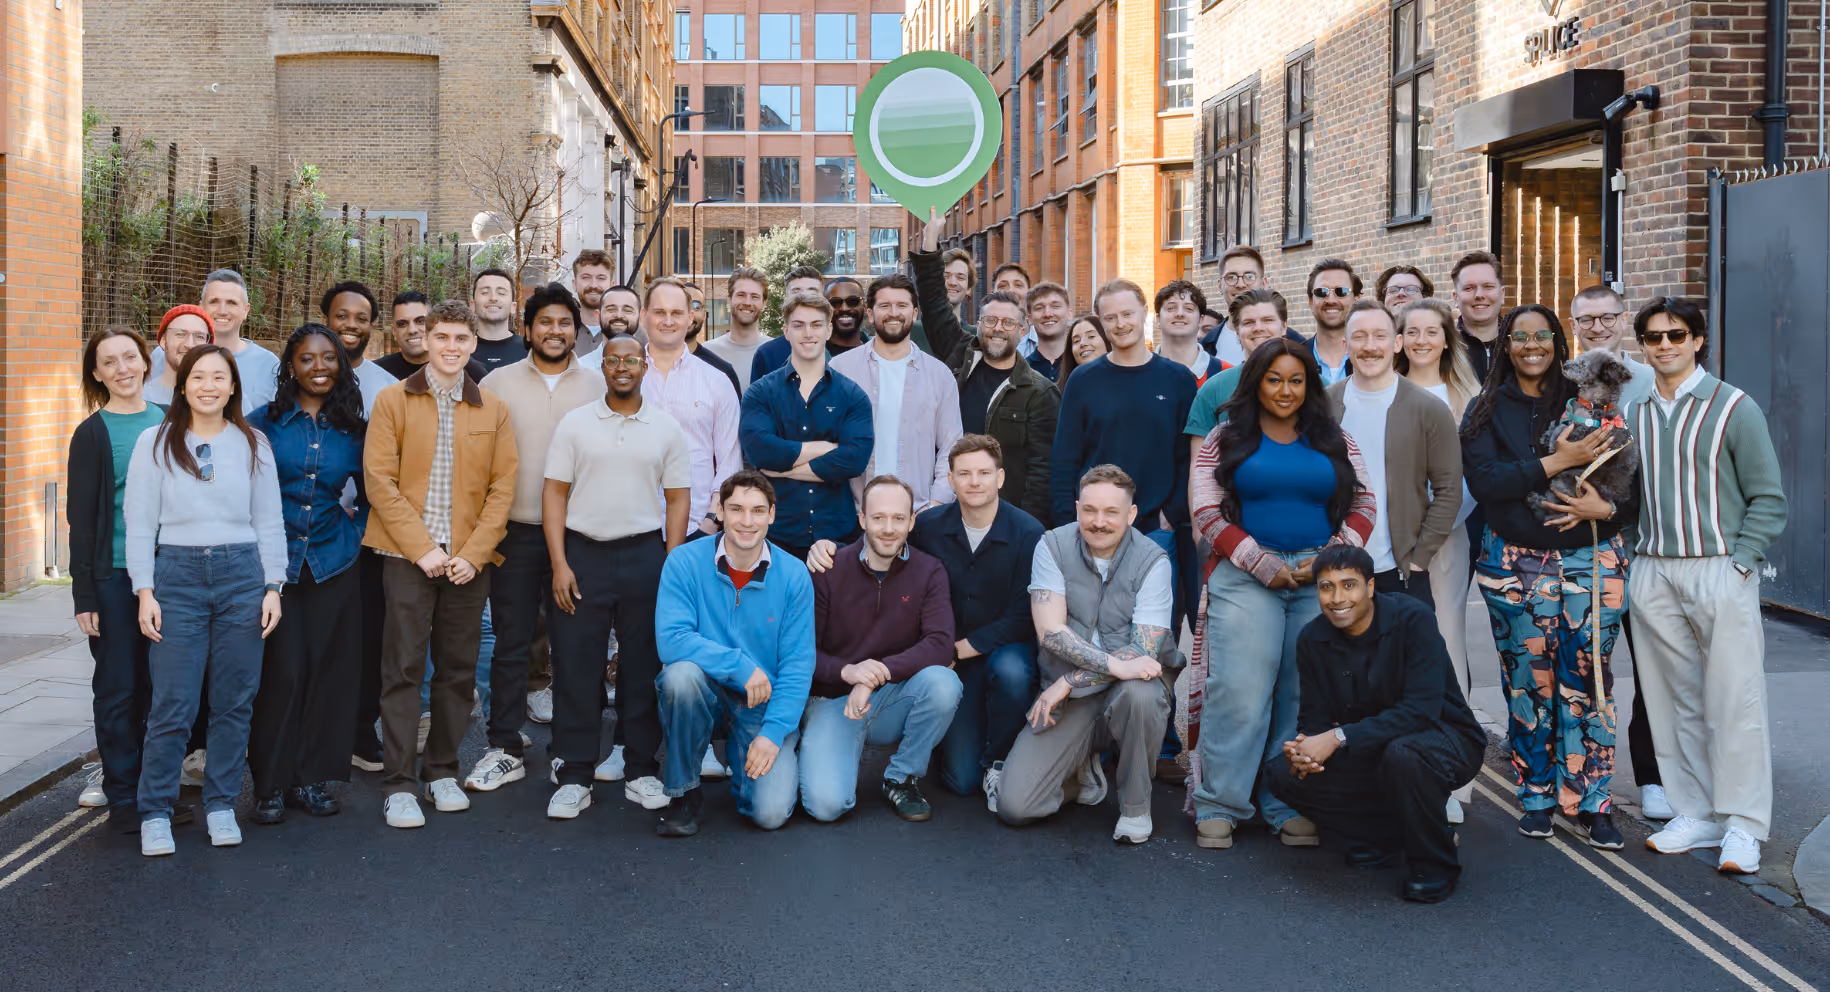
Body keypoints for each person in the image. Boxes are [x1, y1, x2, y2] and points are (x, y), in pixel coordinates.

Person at [1187, 340, 1374, 850]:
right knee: (1240, 692)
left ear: (1310, 384)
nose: (1285, 390)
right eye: (1274, 379)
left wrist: (1331, 560)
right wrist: (1261, 563)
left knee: (1302, 697)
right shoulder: (1225, 438)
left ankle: (1286, 801)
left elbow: (1364, 503)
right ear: (1256, 382)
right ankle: (1220, 802)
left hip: (1321, 581)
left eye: (1296, 380)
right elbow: (1205, 509)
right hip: (1246, 575)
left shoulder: (1335, 438)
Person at [1461, 303, 1632, 849]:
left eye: (1542, 336)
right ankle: (1536, 794)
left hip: (1592, 557)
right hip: (1514, 563)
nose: (1531, 345)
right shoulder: (1484, 409)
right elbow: (1488, 482)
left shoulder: (1590, 399)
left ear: (1559, 343)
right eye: (1519, 337)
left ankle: (1592, 800)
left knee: (1589, 679)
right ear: (1505, 345)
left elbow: (1629, 479)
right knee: (1529, 681)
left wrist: (1601, 511)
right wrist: (1557, 462)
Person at [1629, 297, 1787, 874]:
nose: (1664, 345)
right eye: (1653, 337)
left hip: (1719, 565)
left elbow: (1768, 498)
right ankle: (1695, 813)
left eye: (1676, 335)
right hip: (1653, 567)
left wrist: (1743, 563)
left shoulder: (1734, 407)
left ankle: (1743, 825)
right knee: (1673, 699)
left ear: (1698, 340)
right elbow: (1629, 493)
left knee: (1735, 698)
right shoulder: (1636, 409)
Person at [125, 344, 286, 855]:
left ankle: (220, 804)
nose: (209, 385)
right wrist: (144, 591)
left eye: (220, 376)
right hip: (177, 575)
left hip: (243, 573)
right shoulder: (155, 442)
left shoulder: (253, 443)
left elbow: (269, 521)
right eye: (199, 377)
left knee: (235, 701)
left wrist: (273, 586)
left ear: (233, 386)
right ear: (183, 385)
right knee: (173, 702)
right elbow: (139, 525)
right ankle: (155, 811)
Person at [364, 300, 517, 830]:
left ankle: (441, 771)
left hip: (468, 563)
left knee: (457, 671)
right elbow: (379, 482)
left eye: (461, 339)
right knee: (403, 671)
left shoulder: (492, 409)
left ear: (474, 344)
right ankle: (399, 784)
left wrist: (471, 554)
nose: (451, 347)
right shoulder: (392, 400)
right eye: (442, 337)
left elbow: (503, 489)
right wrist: (422, 548)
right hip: (408, 558)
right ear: (425, 341)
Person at [1266, 545, 1486, 904]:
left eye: (1348, 585)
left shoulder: (1412, 619)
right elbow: (1314, 717)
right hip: (1370, 746)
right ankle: (1384, 837)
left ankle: (1434, 864)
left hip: (1445, 740)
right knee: (1282, 774)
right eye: (1326, 587)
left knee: (1404, 756)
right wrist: (1305, 749)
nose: (1337, 598)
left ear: (1370, 587)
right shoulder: (1312, 638)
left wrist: (1337, 737)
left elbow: (1421, 711)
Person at [542, 334, 692, 819]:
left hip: (645, 556)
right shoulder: (575, 424)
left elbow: (677, 500)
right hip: (582, 555)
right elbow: (554, 495)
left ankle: (641, 768)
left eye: (632, 360)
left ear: (645, 366)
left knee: (642, 667)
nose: (623, 367)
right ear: (602, 366)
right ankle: (575, 775)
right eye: (614, 360)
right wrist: (560, 563)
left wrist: (671, 563)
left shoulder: (667, 428)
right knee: (576, 667)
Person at [463, 284, 605, 795]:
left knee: (574, 645)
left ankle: (570, 752)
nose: (554, 331)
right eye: (544, 322)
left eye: (564, 323)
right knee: (511, 642)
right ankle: (503, 746)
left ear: (577, 330)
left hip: (578, 537)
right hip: (516, 534)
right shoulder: (496, 382)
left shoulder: (596, 384)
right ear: (528, 328)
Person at [997, 465, 1175, 844]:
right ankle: (1084, 773)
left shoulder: (1154, 561)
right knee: (1015, 805)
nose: (1099, 522)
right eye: (1090, 510)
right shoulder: (1052, 546)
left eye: (1112, 512)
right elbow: (1050, 632)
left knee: (1140, 694)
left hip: (1124, 691)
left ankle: (1135, 808)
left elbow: (1144, 653)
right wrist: (1087, 674)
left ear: (1130, 514)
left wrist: (1070, 678)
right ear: (1076, 508)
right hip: (1072, 696)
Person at [246, 325, 368, 825]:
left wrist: (354, 533)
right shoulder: (261, 425)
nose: (319, 367)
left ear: (341, 364)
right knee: (281, 676)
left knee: (326, 676)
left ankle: (310, 780)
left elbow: (375, 493)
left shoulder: (353, 430)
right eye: (306, 359)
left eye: (329, 358)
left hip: (332, 565)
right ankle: (270, 786)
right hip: (274, 571)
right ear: (289, 367)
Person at [653, 470, 815, 835]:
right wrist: (739, 665)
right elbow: (671, 640)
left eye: (758, 511)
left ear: (772, 514)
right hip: (706, 687)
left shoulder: (793, 575)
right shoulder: (683, 561)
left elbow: (798, 664)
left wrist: (773, 733)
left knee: (768, 814)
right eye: (736, 509)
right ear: (720, 511)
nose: (747, 521)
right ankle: (684, 793)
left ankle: (768, 756)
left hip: (760, 700)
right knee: (679, 677)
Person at [797, 475, 960, 822]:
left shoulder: (929, 571)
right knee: (826, 807)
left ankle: (901, 778)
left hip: (890, 697)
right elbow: (802, 653)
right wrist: (848, 672)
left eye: (899, 518)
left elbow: (940, 644)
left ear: (912, 521)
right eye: (879, 517)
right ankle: (816, 749)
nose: (888, 528)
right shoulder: (828, 569)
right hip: (832, 702)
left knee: (943, 684)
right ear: (862, 519)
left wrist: (874, 676)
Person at [1050, 280, 1197, 645]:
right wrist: (1070, 524)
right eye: (1110, 317)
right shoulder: (1084, 380)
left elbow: (1188, 458)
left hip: (1157, 530)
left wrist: (1171, 514)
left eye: (1127, 314)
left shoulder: (1178, 379)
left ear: (1144, 313)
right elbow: (1066, 457)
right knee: (1094, 632)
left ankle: (1157, 702)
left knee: (1157, 637)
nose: (1120, 324)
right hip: (1096, 527)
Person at [67, 327, 165, 831]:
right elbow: (81, 521)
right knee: (119, 686)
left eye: (131, 357)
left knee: (162, 687)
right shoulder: (92, 434)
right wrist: (85, 593)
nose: (123, 368)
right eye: (110, 362)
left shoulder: (170, 421)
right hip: (113, 578)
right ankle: (123, 795)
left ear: (146, 362)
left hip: (167, 577)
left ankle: (155, 791)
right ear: (98, 374)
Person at [915, 436, 1044, 808]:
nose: (974, 481)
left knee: (1014, 674)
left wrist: (958, 649)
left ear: (1000, 478)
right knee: (960, 781)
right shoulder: (929, 528)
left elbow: (1024, 614)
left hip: (1005, 649)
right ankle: (955, 743)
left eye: (984, 473)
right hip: (950, 659)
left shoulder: (1028, 533)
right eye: (965, 473)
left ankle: (999, 760)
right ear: (951, 480)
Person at [1394, 297, 1483, 820]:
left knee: (1447, 643)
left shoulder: (1467, 397)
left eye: (1433, 331)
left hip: (1445, 540)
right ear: (1399, 338)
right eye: (1412, 331)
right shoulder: (1386, 389)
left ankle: (1452, 777)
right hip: (1386, 541)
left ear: (1448, 338)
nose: (1423, 340)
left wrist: (1430, 532)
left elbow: (1469, 479)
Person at [1327, 300, 1461, 606]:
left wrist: (1419, 559)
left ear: (1397, 343)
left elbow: (1449, 490)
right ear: (1346, 344)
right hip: (1335, 570)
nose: (1370, 346)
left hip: (1400, 574)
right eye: (1360, 337)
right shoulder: (1323, 405)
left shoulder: (1428, 409)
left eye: (1380, 336)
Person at [912, 247, 1059, 519]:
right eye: (991, 320)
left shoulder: (1040, 393)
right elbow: (933, 302)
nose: (998, 328)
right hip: (946, 508)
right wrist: (929, 247)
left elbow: (1042, 473)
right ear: (978, 324)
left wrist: (1025, 529)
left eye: (1008, 323)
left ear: (1023, 330)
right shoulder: (958, 358)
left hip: (1003, 518)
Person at [739, 293, 874, 560]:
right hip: (776, 535)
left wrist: (782, 471)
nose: (807, 333)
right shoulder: (760, 393)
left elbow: (854, 460)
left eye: (815, 324)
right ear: (786, 331)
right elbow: (759, 451)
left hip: (838, 536)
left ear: (828, 330)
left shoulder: (852, 395)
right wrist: (825, 448)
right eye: (798, 325)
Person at [831, 273, 962, 513]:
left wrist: (936, 504)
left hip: (919, 515)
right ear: (870, 314)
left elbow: (951, 448)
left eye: (902, 305)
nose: (893, 313)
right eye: (884, 306)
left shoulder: (939, 375)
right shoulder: (840, 370)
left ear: (914, 313)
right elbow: (827, 442)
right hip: (854, 514)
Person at [638, 277, 742, 545]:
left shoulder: (717, 381)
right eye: (659, 312)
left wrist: (711, 522)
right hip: (633, 528)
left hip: (697, 529)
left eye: (676, 313)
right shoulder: (623, 379)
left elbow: (730, 459)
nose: (668, 321)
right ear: (643, 316)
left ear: (690, 317)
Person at [1184, 289, 1296, 465]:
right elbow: (1200, 472)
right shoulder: (1213, 390)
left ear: (1284, 326)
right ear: (1237, 331)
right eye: (1249, 322)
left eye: (1267, 320)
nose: (1259, 327)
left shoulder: (1315, 384)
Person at [148, 272, 282, 413]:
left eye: (231, 303)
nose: (222, 311)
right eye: (214, 302)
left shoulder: (268, 365)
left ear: (245, 310)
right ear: (201, 306)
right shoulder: (164, 355)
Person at [747, 275, 871, 381]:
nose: (845, 308)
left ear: (865, 306)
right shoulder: (790, 355)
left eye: (853, 301)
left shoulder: (879, 353)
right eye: (835, 303)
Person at [319, 281, 400, 413]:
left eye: (361, 319)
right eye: (342, 316)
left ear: (371, 325)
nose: (351, 325)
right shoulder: (301, 379)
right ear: (325, 321)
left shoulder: (390, 390)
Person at [377, 291, 489, 384]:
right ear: (394, 331)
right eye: (402, 324)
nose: (412, 330)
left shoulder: (471, 372)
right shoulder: (377, 373)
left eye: (420, 321)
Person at [1571, 285, 1655, 407]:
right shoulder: (1561, 386)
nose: (1597, 328)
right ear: (1573, 326)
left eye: (1608, 318)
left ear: (1624, 321)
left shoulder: (1654, 382)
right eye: (1586, 320)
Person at [702, 266, 769, 390]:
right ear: (729, 300)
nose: (747, 302)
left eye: (754, 297)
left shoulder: (777, 352)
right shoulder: (706, 353)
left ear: (764, 304)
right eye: (741, 295)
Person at [1205, 245, 1271, 362]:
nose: (1240, 284)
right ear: (1220, 285)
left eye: (1249, 276)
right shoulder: (1204, 347)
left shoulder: (1293, 342)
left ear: (1264, 283)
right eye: (1231, 277)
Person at [1155, 280, 1226, 387]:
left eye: (1188, 309)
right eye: (1171, 308)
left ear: (1201, 320)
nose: (1179, 314)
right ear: (1158, 319)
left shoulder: (1225, 373)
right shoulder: (1136, 370)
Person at [1450, 251, 1505, 385]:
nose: (1479, 295)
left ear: (1502, 294)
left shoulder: (1520, 345)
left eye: (1488, 287)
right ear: (1456, 298)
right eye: (1469, 288)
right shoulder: (1445, 348)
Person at [681, 282, 744, 395]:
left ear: (704, 314)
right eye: (680, 305)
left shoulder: (722, 371)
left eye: (696, 306)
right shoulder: (646, 365)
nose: (688, 314)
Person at [144, 305, 213, 406]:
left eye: (199, 336)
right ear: (163, 341)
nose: (190, 344)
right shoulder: (143, 398)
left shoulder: (222, 397)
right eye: (180, 334)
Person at [1304, 259, 1358, 387]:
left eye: (1341, 291)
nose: (1331, 300)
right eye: (1322, 292)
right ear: (1311, 302)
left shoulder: (1368, 357)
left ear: (1356, 300)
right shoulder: (1294, 358)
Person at [470, 268, 530, 372]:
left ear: (513, 306)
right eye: (485, 292)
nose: (493, 298)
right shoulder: (459, 351)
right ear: (473, 305)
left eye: (501, 293)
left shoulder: (530, 352)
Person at [1023, 282, 1072, 382]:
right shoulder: (1021, 371)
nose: (1048, 314)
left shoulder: (1082, 365)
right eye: (1039, 308)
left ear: (1069, 314)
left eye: (1055, 306)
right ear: (1029, 319)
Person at [569, 249, 615, 358]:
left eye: (601, 278)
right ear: (574, 284)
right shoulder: (563, 331)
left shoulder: (627, 332)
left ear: (611, 286)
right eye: (586, 277)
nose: (594, 285)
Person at [1055, 314, 1109, 385]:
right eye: (1076, 341)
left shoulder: (1125, 381)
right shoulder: (1058, 392)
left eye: (1091, 336)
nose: (1082, 343)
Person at [941, 247, 978, 332]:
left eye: (960, 277)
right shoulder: (912, 332)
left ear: (969, 288)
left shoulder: (978, 337)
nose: (953, 282)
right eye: (945, 276)